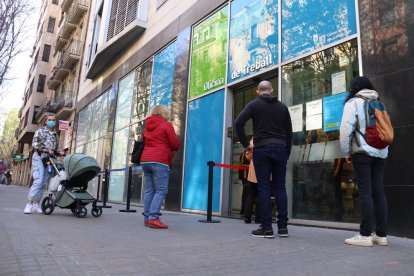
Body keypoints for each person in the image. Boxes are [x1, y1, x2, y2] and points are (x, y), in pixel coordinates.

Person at [235, 80, 292, 238]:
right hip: (280, 148)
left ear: (257, 91)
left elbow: (238, 123)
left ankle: (266, 228)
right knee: (280, 187)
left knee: (264, 188)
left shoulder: (254, 105)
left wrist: (247, 145)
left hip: (262, 149)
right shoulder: (282, 107)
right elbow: (289, 132)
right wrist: (286, 152)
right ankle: (283, 228)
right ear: (271, 90)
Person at [340, 76, 389, 247]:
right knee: (378, 192)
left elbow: (346, 128)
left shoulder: (353, 102)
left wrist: (346, 152)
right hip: (381, 152)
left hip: (362, 151)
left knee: (365, 192)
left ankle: (365, 234)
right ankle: (381, 235)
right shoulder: (379, 102)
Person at [140, 105, 180, 229]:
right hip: (160, 160)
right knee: (161, 190)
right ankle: (153, 217)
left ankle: (147, 218)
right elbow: (175, 144)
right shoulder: (166, 125)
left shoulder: (147, 127)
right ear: (165, 113)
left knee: (149, 190)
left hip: (146, 161)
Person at [24, 114, 60, 214]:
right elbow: (34, 145)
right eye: (49, 120)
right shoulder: (40, 131)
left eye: (53, 120)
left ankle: (36, 204)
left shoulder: (55, 134)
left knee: (43, 183)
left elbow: (55, 149)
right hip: (39, 157)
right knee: (38, 180)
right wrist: (46, 150)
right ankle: (28, 204)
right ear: (45, 121)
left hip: (48, 160)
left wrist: (61, 153)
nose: (52, 121)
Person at [238, 149, 251, 216]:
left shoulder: (243, 153)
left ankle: (244, 210)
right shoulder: (247, 153)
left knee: (246, 193)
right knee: (247, 193)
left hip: (246, 175)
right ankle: (245, 210)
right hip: (246, 175)